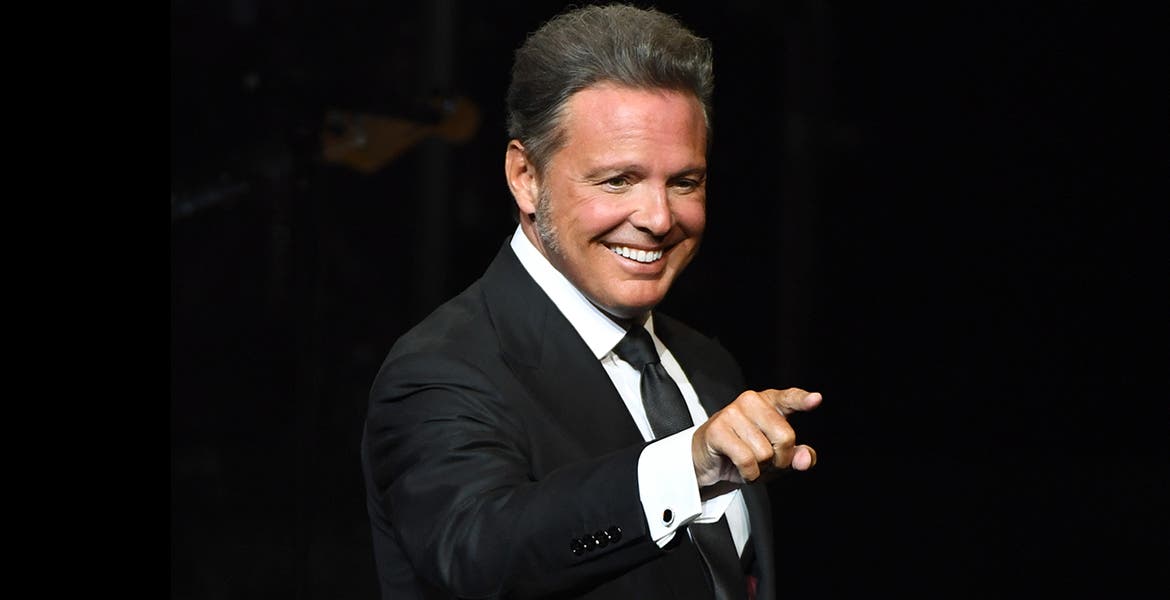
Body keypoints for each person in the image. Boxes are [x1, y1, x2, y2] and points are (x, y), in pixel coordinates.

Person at [361, 4, 821, 599]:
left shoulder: (707, 365)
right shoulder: (440, 369)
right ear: (525, 177)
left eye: (684, 182)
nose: (659, 218)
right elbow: (476, 554)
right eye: (617, 181)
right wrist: (684, 465)